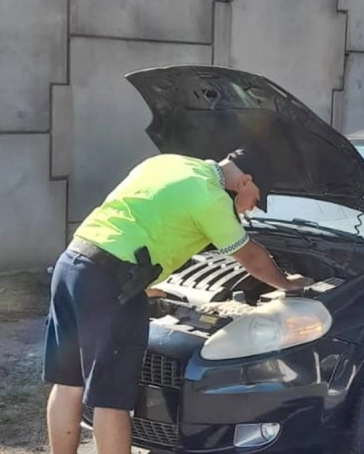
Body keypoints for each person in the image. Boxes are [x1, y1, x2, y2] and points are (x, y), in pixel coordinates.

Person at [43, 151, 313, 454]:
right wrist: (287, 283)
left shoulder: (169, 163)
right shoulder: (211, 199)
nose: (251, 210)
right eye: (256, 200)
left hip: (73, 264)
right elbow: (249, 255)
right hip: (109, 283)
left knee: (68, 383)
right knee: (111, 399)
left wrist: (143, 284)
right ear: (246, 181)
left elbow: (144, 218)